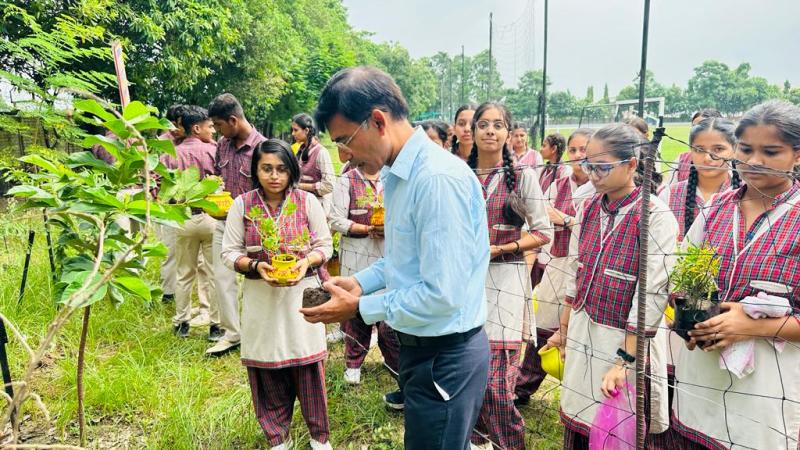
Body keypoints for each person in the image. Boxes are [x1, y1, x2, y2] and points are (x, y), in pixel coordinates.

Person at [300, 66, 491, 450]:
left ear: (377, 121)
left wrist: (359, 307)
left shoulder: (435, 180)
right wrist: (360, 283)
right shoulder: (399, 176)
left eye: (344, 141)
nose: (344, 156)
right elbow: (402, 258)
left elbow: (442, 295)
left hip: (445, 355)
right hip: (422, 348)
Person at [671, 101, 800, 449]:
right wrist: (689, 321)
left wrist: (753, 326)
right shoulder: (715, 208)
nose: (754, 160)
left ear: (797, 155)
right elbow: (680, 277)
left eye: (770, 152)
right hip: (702, 373)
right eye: (745, 149)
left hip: (770, 387)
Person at [549, 123, 678, 448]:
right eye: (588, 165)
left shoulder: (655, 216)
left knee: (618, 427)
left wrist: (624, 361)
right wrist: (563, 330)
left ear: (631, 164)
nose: (592, 174)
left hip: (626, 340)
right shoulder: (589, 207)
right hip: (584, 330)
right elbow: (575, 272)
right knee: (580, 418)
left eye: (602, 167)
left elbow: (651, 295)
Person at [221, 139, 333, 450]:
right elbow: (229, 252)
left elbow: (325, 245)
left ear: (292, 171)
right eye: (267, 169)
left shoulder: (306, 202)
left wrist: (305, 262)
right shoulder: (242, 205)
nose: (274, 176)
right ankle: (278, 437)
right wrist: (256, 266)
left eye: (282, 169)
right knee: (266, 366)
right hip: (261, 297)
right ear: (255, 170)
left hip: (302, 295)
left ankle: (319, 437)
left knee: (308, 366)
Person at [466, 102, 551, 450]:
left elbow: (543, 232)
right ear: (472, 131)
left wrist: (501, 248)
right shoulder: (460, 175)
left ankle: (510, 444)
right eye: (483, 124)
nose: (490, 131)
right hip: (465, 283)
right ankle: (478, 441)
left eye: (498, 125)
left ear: (508, 132)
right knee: (469, 375)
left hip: (506, 282)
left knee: (497, 385)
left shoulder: (523, 176)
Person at [515, 128, 594, 406]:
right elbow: (540, 219)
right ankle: (522, 387)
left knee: (580, 331)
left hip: (587, 268)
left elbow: (560, 219)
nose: (578, 155)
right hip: (557, 261)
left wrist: (566, 219)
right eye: (573, 150)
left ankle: (577, 395)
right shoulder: (558, 183)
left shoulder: (600, 189)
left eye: (584, 150)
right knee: (544, 327)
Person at [206, 93, 266, 357]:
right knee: (222, 279)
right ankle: (232, 333)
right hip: (223, 222)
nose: (217, 131)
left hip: (255, 225)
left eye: (219, 125)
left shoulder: (263, 148)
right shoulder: (222, 145)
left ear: (233, 120)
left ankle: (260, 331)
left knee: (258, 280)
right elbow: (218, 176)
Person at [330, 161, 400, 387]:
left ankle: (394, 364)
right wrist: (365, 228)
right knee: (355, 311)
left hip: (387, 252)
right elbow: (335, 219)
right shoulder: (347, 179)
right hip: (357, 254)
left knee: (387, 315)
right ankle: (353, 364)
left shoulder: (392, 178)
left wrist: (390, 228)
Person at [161, 106, 220, 341]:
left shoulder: (170, 154)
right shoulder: (213, 151)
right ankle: (215, 326)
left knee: (184, 273)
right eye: (210, 126)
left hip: (183, 218)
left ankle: (181, 323)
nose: (213, 131)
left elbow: (159, 185)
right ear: (196, 128)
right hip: (210, 217)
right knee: (214, 274)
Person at [666, 108, 724, 186]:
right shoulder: (681, 160)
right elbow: (669, 189)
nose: (695, 132)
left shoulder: (730, 162)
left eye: (702, 127)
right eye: (693, 127)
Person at [291, 113, 335, 214]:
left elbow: (329, 186)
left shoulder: (321, 152)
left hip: (318, 208)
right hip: (302, 206)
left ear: (306, 130)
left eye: (296, 130)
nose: (293, 134)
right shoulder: (300, 150)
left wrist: (299, 186)